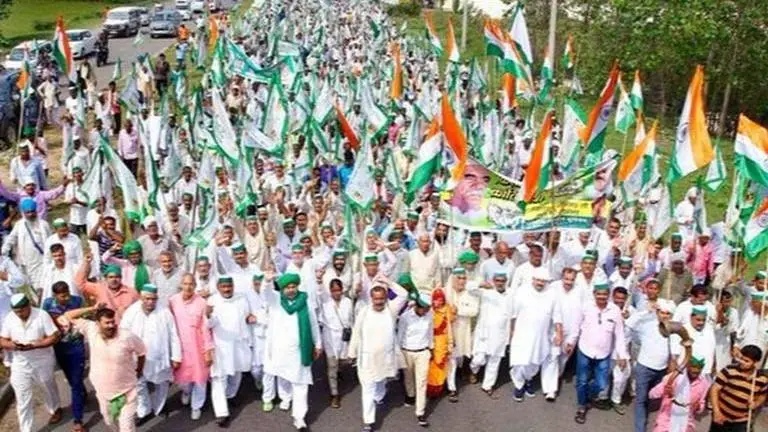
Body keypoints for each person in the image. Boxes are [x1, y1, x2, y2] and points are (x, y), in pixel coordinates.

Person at [61, 305, 146, 432]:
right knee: (109, 421)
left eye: (113, 322)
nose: (111, 325)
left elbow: (142, 352)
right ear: (98, 323)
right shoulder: (91, 329)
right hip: (103, 392)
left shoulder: (127, 336)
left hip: (127, 391)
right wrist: (92, 308)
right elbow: (68, 315)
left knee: (127, 427)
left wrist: (139, 370)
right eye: (107, 323)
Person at [347, 276, 410, 432]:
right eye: (376, 299)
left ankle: (380, 397)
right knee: (367, 388)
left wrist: (387, 281)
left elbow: (404, 295)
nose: (379, 302)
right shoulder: (364, 312)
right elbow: (356, 332)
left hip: (386, 358)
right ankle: (368, 422)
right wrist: (352, 352)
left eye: (382, 298)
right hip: (367, 358)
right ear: (371, 298)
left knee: (381, 381)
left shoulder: (391, 309)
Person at [262, 272, 322, 431]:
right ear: (282, 288)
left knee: (301, 383)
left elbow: (314, 324)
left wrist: (318, 344)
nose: (290, 289)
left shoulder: (305, 302)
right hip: (280, 351)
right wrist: (267, 281)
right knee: (283, 377)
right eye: (287, 287)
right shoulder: (275, 300)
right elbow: (266, 293)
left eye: (293, 286)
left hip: (300, 350)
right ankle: (285, 398)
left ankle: (299, 417)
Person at [120, 284, 182, 422]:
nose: (150, 302)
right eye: (147, 299)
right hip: (137, 359)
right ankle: (144, 410)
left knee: (161, 384)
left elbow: (173, 335)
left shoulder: (164, 312)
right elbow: (123, 334)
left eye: (153, 299)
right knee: (139, 385)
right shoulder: (131, 312)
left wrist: (176, 356)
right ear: (141, 298)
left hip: (159, 357)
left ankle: (159, 407)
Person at [0, 294, 62, 432]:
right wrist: (12, 345)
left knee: (47, 386)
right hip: (20, 362)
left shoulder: (41, 315)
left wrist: (37, 344)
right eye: (16, 311)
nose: (19, 314)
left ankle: (55, 408)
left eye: (22, 310)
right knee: (22, 397)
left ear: (28, 306)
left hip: (42, 359)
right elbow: (2, 339)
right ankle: (25, 429)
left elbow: (54, 336)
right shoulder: (10, 318)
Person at [571, 281, 629, 424]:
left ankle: (586, 395)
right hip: (585, 349)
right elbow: (576, 325)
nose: (602, 297)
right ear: (594, 294)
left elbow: (619, 334)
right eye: (599, 294)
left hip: (603, 353)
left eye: (604, 294)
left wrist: (622, 355)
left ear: (608, 295)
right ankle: (582, 406)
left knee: (602, 384)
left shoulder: (615, 310)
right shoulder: (586, 307)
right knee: (582, 380)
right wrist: (571, 342)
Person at [509, 267, 563, 403]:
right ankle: (519, 385)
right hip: (522, 333)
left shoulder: (552, 294)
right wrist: (511, 331)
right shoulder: (522, 291)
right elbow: (513, 314)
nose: (540, 283)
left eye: (543, 281)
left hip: (541, 335)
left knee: (535, 362)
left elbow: (557, 316)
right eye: (538, 280)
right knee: (520, 361)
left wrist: (559, 333)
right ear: (533, 279)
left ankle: (528, 380)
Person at [207, 275, 253, 428]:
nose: (227, 289)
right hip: (221, 346)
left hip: (239, 343)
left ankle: (231, 395)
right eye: (223, 287)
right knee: (218, 378)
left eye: (229, 286)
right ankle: (221, 413)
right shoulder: (212, 301)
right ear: (218, 287)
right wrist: (207, 315)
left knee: (237, 372)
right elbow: (208, 324)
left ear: (233, 286)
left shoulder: (241, 298)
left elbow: (246, 316)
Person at [42, 282, 87, 432]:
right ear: (55, 295)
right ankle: (81, 391)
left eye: (67, 294)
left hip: (76, 346)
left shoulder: (77, 301)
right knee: (73, 380)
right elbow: (44, 322)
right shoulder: (47, 304)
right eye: (62, 296)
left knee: (75, 384)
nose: (66, 298)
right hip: (59, 348)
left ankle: (78, 420)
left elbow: (87, 316)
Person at [168, 274, 214, 420]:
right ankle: (186, 392)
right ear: (181, 284)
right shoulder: (173, 301)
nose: (188, 287)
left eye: (191, 284)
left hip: (197, 347)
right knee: (183, 381)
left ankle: (197, 406)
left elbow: (205, 328)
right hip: (179, 348)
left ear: (195, 286)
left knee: (200, 379)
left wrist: (207, 351)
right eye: (185, 284)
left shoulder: (201, 302)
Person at [468, 270, 515, 397]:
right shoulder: (486, 292)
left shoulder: (510, 294)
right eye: (497, 280)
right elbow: (469, 287)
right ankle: (473, 371)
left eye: (502, 281)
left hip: (500, 334)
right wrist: (481, 284)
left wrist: (511, 333)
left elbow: (512, 315)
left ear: (506, 282)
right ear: (493, 281)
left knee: (494, 361)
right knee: (479, 358)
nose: (500, 283)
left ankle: (487, 385)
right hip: (484, 332)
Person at [710, 345, 768, 432]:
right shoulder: (729, 370)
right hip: (721, 417)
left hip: (741, 422)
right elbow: (715, 389)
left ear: (755, 362)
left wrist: (756, 404)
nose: (742, 362)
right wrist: (716, 411)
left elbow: (762, 396)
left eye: (746, 361)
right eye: (741, 358)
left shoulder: (761, 379)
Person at [398, 286, 433, 428]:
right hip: (407, 350)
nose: (425, 311)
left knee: (422, 381)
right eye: (423, 308)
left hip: (423, 352)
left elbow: (430, 332)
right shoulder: (406, 317)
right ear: (417, 306)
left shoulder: (430, 316)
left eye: (427, 309)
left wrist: (431, 348)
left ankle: (420, 412)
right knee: (408, 377)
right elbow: (400, 335)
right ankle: (410, 395)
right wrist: (399, 353)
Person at [648, 356, 710, 432]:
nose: (696, 371)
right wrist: (664, 389)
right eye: (693, 368)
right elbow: (652, 394)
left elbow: (701, 404)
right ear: (687, 367)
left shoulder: (704, 384)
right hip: (666, 422)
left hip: (686, 424)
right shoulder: (674, 377)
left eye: (699, 369)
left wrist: (698, 407)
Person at [445, 267, 479, 402]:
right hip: (446, 331)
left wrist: (457, 310)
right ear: (452, 279)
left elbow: (473, 311)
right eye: (458, 278)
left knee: (457, 358)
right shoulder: (445, 292)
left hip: (462, 331)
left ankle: (452, 380)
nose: (462, 281)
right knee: (450, 359)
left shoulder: (471, 294)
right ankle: (451, 387)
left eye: (464, 278)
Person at [318, 278, 354, 408]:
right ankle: (334, 394)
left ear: (342, 290)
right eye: (333, 290)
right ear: (330, 291)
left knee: (344, 362)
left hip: (344, 338)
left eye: (338, 290)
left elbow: (351, 321)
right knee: (331, 367)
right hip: (330, 338)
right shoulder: (325, 303)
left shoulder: (348, 302)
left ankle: (339, 370)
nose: (336, 293)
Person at [74, 255, 139, 324]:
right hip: (104, 329)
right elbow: (80, 283)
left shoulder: (132, 293)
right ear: (106, 278)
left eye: (117, 277)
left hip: (124, 329)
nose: (114, 280)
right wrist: (86, 263)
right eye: (111, 277)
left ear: (121, 278)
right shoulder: (100, 288)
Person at [426, 288, 453, 399]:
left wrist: (450, 343)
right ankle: (429, 387)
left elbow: (449, 328)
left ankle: (438, 388)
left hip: (442, 341)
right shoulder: (428, 310)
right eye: (436, 300)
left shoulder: (447, 310)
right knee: (429, 364)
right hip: (429, 340)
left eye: (441, 300)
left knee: (440, 363)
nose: (438, 302)